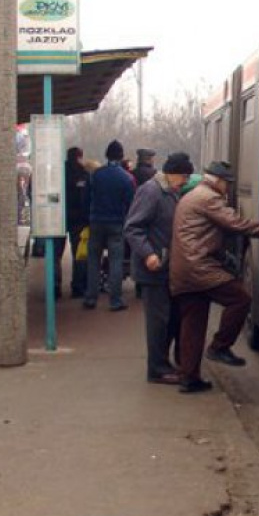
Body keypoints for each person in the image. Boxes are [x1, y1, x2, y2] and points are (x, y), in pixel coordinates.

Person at [170, 161, 259, 393]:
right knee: (240, 298)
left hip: (183, 269)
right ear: (218, 181)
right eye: (227, 184)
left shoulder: (192, 195)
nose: (228, 189)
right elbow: (236, 224)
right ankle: (220, 346)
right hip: (200, 268)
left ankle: (189, 378)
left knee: (192, 324)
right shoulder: (209, 197)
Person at [124, 152, 194, 385]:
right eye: (184, 177)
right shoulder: (151, 191)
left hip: (166, 268)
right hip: (152, 269)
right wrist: (148, 254)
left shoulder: (169, 192)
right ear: (173, 174)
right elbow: (133, 228)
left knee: (170, 318)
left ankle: (163, 363)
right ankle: (157, 368)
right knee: (158, 322)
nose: (185, 182)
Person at [85, 140, 136, 311]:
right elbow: (131, 204)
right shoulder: (127, 178)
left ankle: (91, 298)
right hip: (116, 223)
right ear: (121, 156)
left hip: (96, 222)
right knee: (116, 261)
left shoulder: (96, 175)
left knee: (93, 259)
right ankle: (115, 300)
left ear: (107, 155)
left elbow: (88, 198)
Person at [53, 146, 91, 298]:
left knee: (56, 254)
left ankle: (55, 287)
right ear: (80, 156)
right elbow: (88, 197)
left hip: (58, 218)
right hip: (79, 220)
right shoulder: (84, 174)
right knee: (79, 254)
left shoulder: (59, 172)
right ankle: (78, 287)